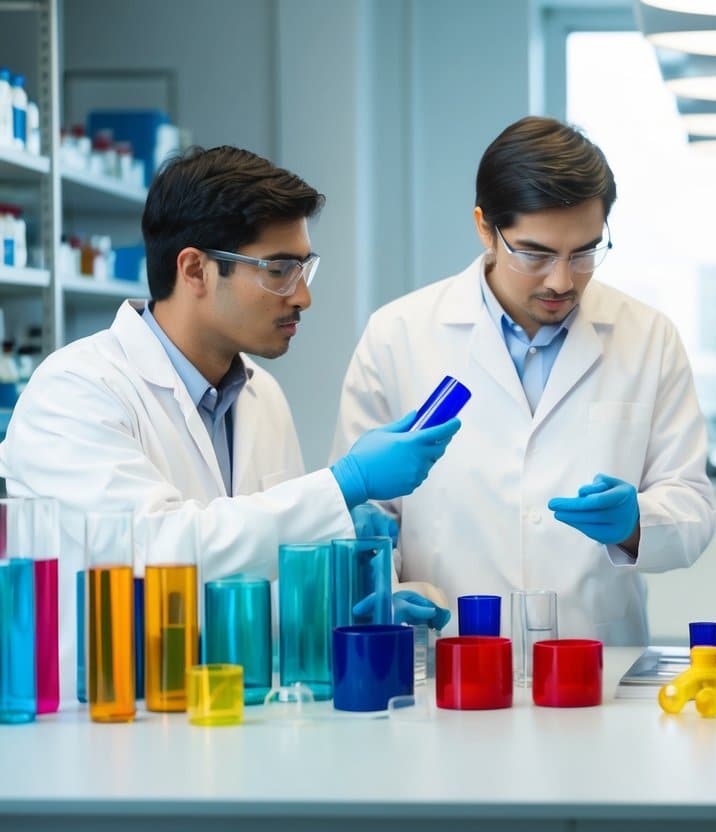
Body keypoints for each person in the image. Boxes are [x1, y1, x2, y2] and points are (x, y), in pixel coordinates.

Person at [0, 145, 459, 696]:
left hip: (239, 719)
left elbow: (257, 575)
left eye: (304, 268)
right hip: (117, 728)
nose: (304, 296)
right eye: (281, 270)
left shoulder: (262, 397)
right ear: (195, 269)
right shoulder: (74, 392)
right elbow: (158, 557)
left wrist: (352, 601)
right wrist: (344, 484)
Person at [330, 116, 715, 644]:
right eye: (534, 254)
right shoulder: (399, 334)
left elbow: (691, 506)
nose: (562, 280)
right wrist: (382, 583)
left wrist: (635, 522)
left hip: (596, 661)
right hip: (450, 656)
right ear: (485, 228)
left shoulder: (648, 337)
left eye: (583, 252)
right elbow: (362, 511)